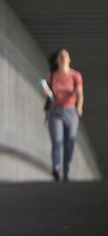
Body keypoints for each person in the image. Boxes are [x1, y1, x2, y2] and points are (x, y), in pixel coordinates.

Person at [42, 48, 84, 182]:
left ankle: (66, 171)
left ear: (69, 60)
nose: (63, 57)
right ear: (57, 60)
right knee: (57, 141)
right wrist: (48, 93)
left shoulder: (75, 76)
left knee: (70, 142)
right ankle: (56, 168)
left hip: (71, 110)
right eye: (60, 56)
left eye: (65, 55)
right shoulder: (52, 76)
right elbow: (45, 89)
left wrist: (79, 106)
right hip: (55, 111)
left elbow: (79, 93)